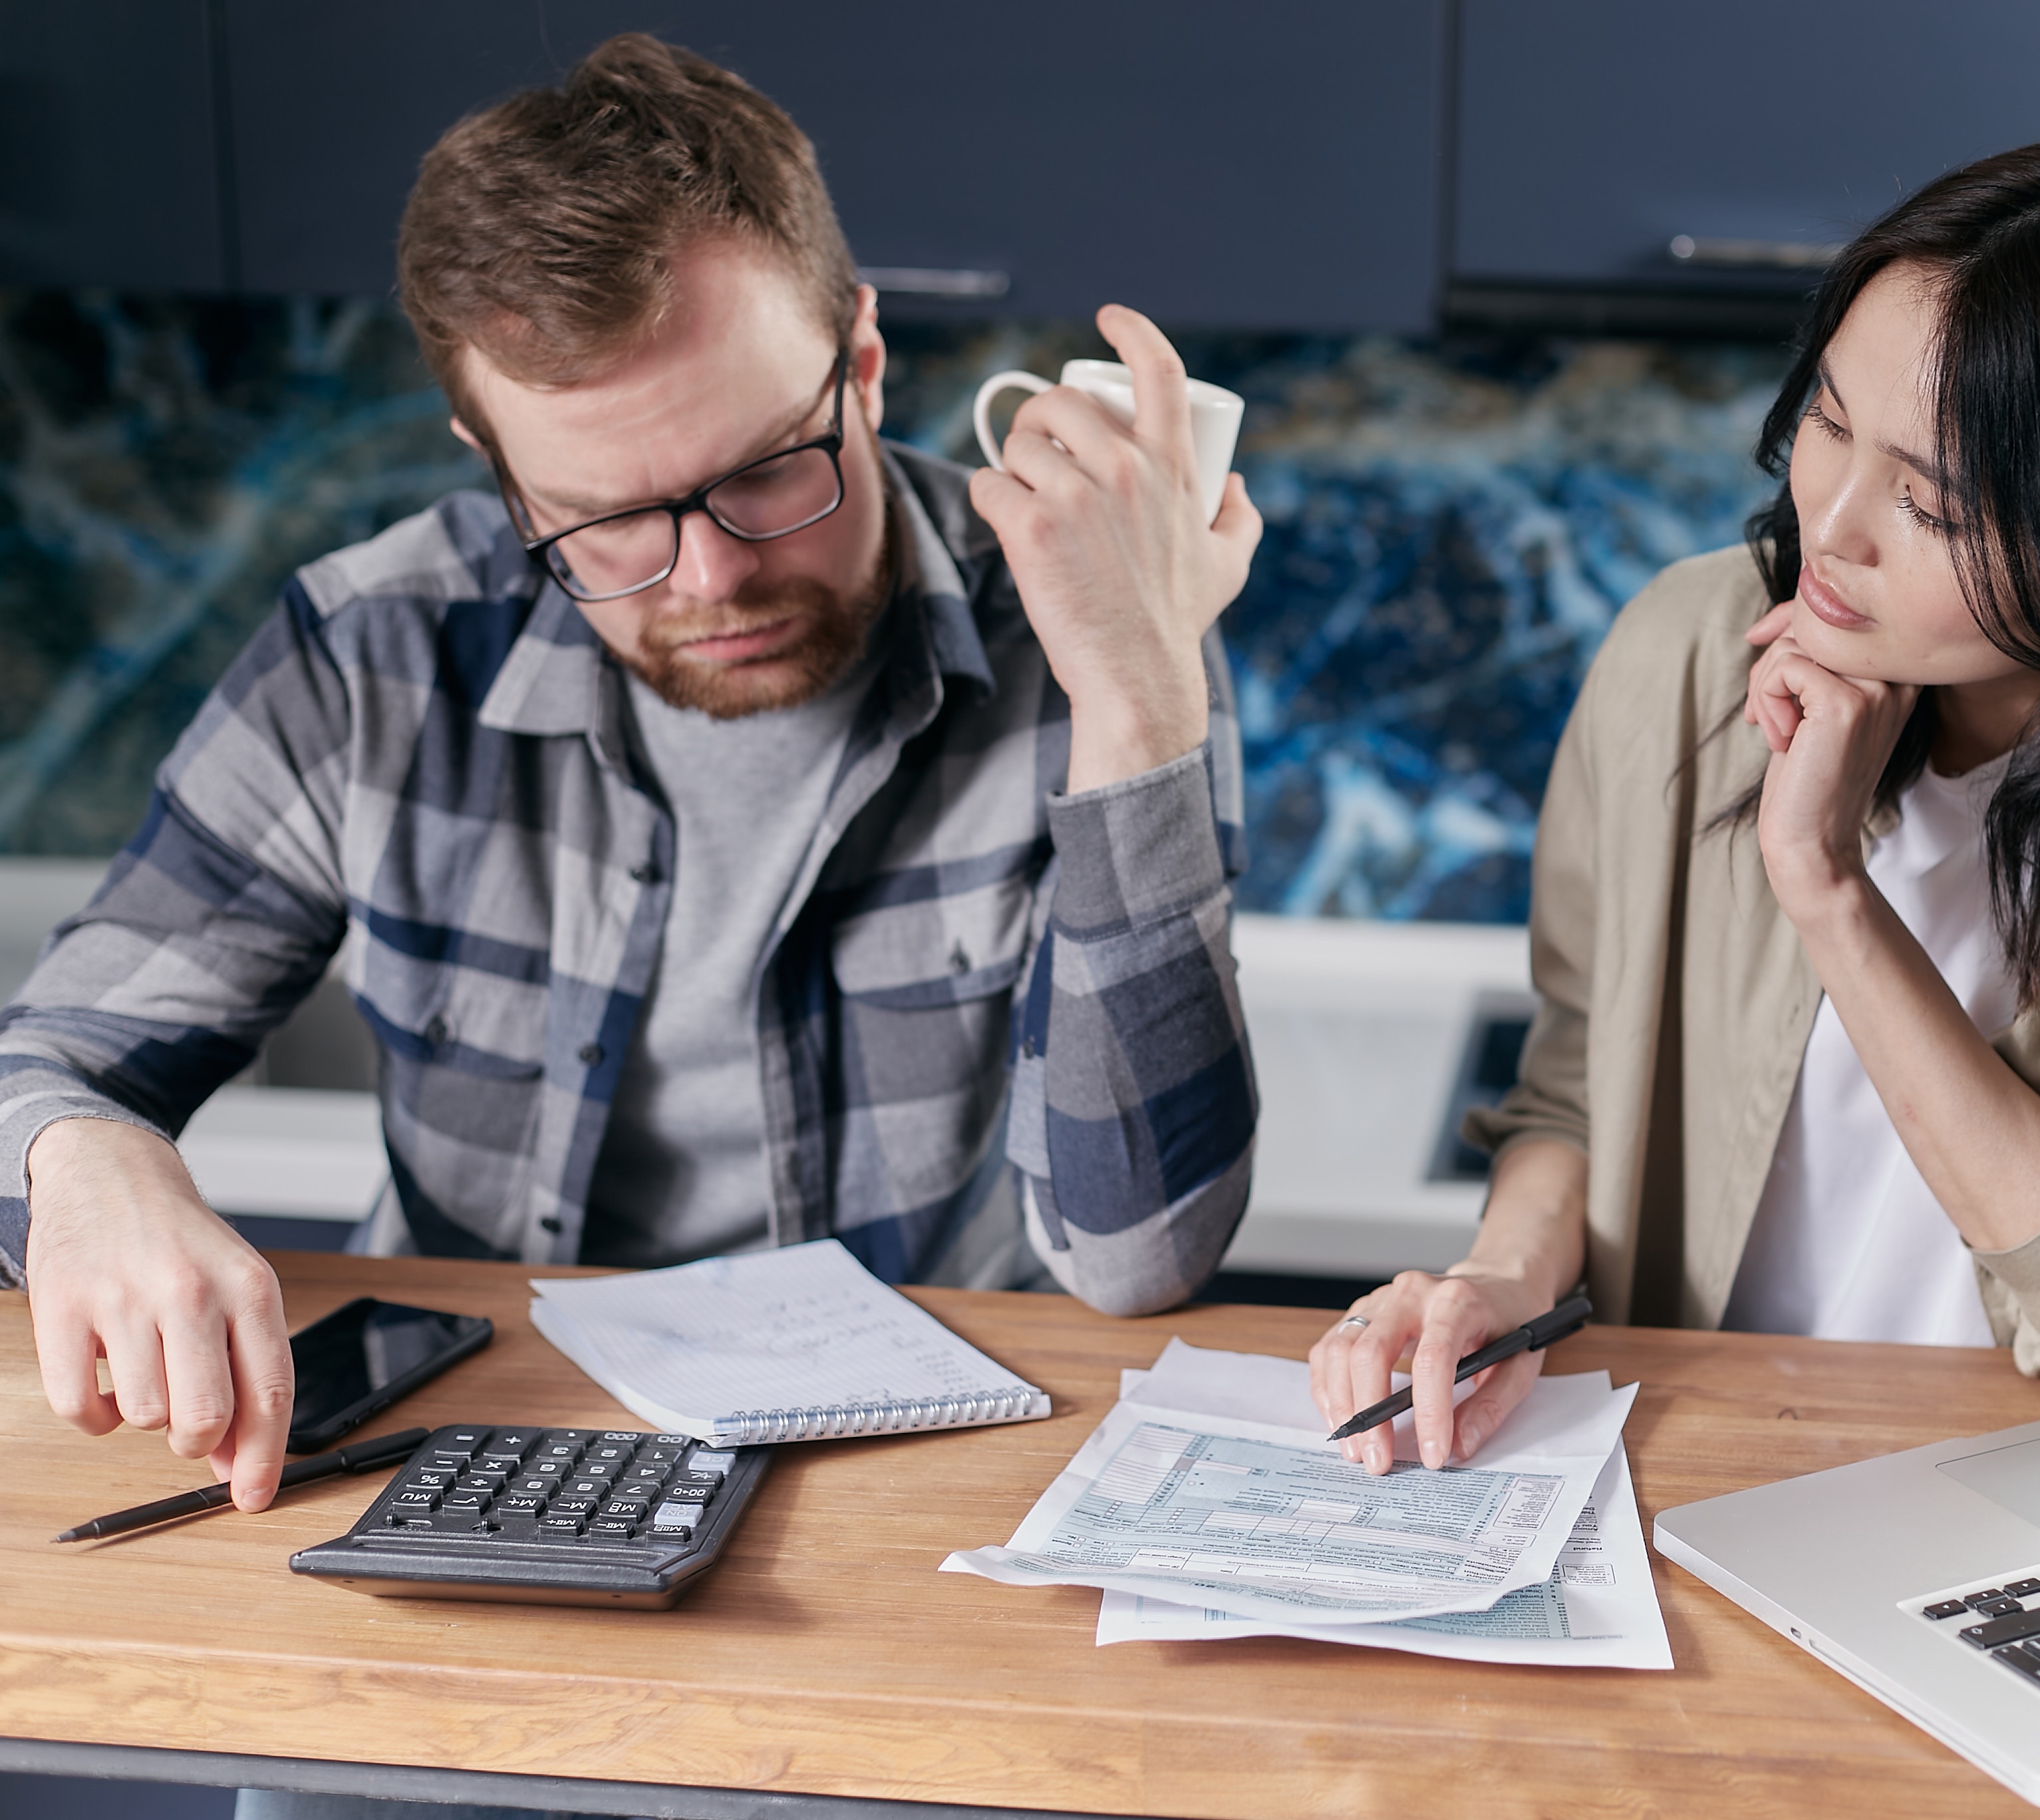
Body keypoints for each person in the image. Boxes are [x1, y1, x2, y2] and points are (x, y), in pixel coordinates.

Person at [0, 34, 1262, 1515]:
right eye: (601, 522)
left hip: (906, 1479)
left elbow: (1142, 1256)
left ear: (859, 361)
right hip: (464, 1457)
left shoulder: (1099, 625)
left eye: (769, 470)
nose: (713, 576)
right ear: (493, 459)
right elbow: (52, 1060)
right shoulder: (372, 650)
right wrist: (89, 1161)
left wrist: (1135, 704)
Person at [1313, 130, 2040, 1472]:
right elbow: (1577, 1091)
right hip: (1695, 1465)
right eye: (1830, 421)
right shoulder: (1689, 649)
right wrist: (1499, 1282)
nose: (1832, 525)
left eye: (1934, 503)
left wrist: (1827, 886)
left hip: (2035, 1503)